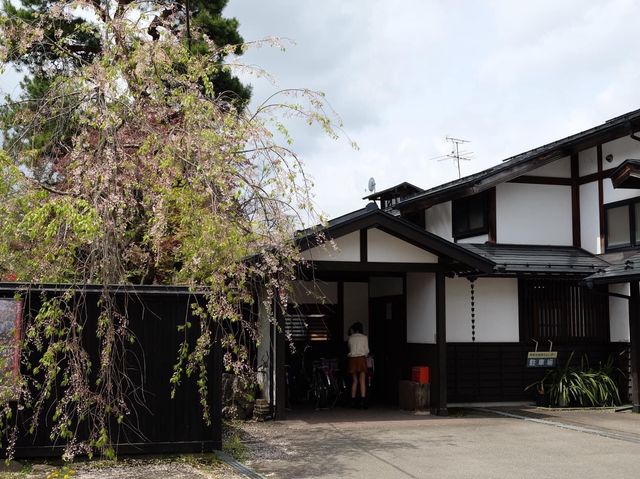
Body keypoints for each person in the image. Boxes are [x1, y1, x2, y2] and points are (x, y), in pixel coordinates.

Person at [347, 322, 369, 408]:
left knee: (354, 380)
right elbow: (367, 350)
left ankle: (352, 401)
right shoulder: (364, 337)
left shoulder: (350, 338)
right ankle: (363, 402)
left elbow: (349, 348)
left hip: (352, 359)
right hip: (361, 359)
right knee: (362, 380)